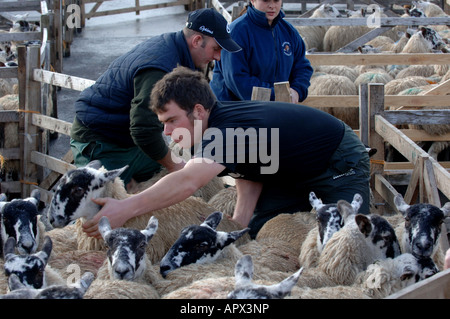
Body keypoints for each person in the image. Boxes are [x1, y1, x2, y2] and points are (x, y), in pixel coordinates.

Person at [83, 66, 371, 239]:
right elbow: (247, 170)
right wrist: (240, 223)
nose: (168, 132)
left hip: (336, 160)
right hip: (288, 172)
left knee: (347, 236)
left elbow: (188, 182)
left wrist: (126, 206)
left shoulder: (225, 132)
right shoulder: (206, 128)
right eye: (163, 124)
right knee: (258, 232)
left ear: (197, 110)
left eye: (171, 121)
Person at [70, 8, 241, 189]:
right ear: (197, 40)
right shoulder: (160, 68)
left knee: (165, 187)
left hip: (130, 140)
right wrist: (177, 166)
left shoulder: (182, 55)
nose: (218, 57)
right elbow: (144, 129)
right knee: (99, 204)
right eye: (216, 48)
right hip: (102, 140)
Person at [209, 0, 313, 103]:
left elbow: (302, 66)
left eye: (276, 0)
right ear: (253, 1)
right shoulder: (237, 32)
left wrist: (296, 90)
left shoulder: (288, 32)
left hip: (277, 108)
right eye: (265, 0)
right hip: (235, 109)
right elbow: (237, 79)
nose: (272, 5)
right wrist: (277, 95)